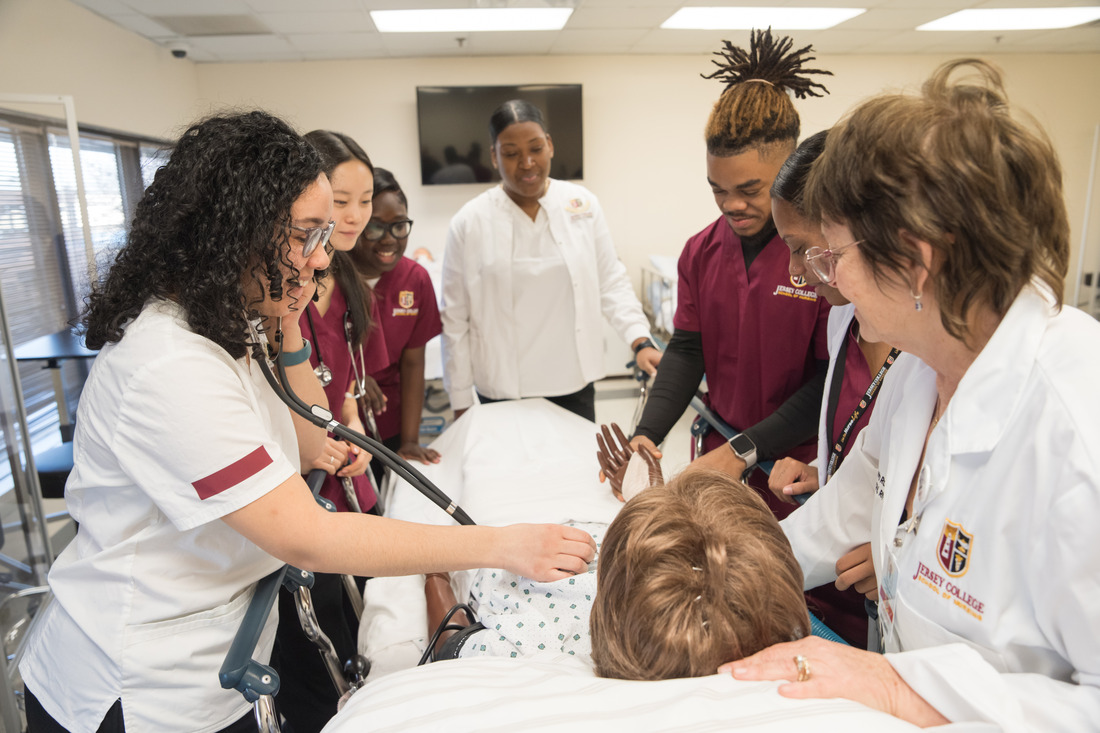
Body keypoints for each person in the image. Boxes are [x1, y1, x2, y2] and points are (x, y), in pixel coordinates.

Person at [17, 110, 596, 733]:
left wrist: (286, 320)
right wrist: (501, 545)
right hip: (136, 684)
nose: (323, 261)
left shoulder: (232, 327)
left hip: (211, 660)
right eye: (307, 236)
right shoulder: (167, 362)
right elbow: (305, 534)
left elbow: (310, 443)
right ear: (234, 230)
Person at [726, 60, 1100, 730]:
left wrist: (899, 687)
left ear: (914, 261)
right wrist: (720, 566)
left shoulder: (1076, 431)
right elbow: (844, 510)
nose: (825, 278)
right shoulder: (920, 371)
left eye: (833, 255)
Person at [629, 29, 832, 524]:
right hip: (722, 448)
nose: (731, 205)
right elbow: (687, 348)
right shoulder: (701, 251)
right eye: (717, 189)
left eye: (749, 189)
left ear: (789, 166)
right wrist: (648, 432)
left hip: (795, 462)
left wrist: (746, 449)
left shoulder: (825, 256)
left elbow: (835, 377)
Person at [424, 450, 810, 680]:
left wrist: (434, 569)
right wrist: (661, 509)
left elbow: (448, 646)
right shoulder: (770, 617)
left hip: (575, 543)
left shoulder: (541, 639)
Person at [441, 99, 660, 423]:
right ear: (493, 156)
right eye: (511, 153)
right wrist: (460, 399)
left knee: (577, 471)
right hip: (502, 389)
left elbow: (611, 280)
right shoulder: (470, 222)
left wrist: (640, 340)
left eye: (536, 148)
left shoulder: (582, 205)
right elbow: (454, 319)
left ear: (550, 146)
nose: (527, 163)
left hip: (573, 382)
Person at [764, 130, 901, 648]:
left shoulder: (926, 354)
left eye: (809, 252)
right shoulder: (845, 318)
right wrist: (826, 470)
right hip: (841, 593)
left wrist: (900, 550)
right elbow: (866, 472)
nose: (800, 273)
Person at [271, 129, 379, 733]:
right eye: (340, 202)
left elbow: (342, 384)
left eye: (364, 199)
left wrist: (356, 430)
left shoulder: (342, 284)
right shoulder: (279, 295)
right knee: (314, 646)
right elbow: (289, 392)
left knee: (354, 623)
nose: (355, 217)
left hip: (342, 472)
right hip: (297, 486)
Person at [351, 168, 443, 478]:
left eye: (399, 226)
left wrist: (410, 441)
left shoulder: (415, 279)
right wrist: (353, 374)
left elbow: (413, 363)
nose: (389, 239)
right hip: (337, 424)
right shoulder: (330, 277)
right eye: (375, 228)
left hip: (390, 420)